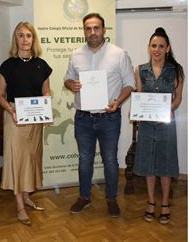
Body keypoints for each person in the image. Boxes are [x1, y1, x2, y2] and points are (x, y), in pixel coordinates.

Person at [64, 13, 135, 217]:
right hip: (83, 118)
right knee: (84, 159)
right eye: (88, 28)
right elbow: (67, 79)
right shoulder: (76, 54)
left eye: (96, 28)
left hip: (109, 117)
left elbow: (130, 83)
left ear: (104, 30)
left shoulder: (119, 54)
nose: (92, 32)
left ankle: (111, 199)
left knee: (110, 160)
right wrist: (72, 84)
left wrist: (118, 102)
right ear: (84, 31)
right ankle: (84, 197)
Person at [0, 22, 52, 226]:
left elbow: (46, 90)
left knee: (32, 158)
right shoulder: (7, 65)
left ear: (33, 39)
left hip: (35, 119)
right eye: (21, 35)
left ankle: (27, 197)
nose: (25, 39)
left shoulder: (41, 64)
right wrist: (11, 110)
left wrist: (46, 101)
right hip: (15, 119)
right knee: (17, 161)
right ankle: (19, 206)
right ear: (16, 39)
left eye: (29, 35)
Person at [132, 27, 185, 225]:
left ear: (167, 48)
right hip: (146, 125)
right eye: (154, 45)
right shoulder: (140, 70)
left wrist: (168, 108)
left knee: (165, 163)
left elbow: (178, 98)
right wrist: (135, 111)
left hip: (165, 123)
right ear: (148, 47)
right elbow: (138, 95)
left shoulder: (176, 70)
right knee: (148, 163)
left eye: (161, 46)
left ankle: (164, 203)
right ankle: (151, 202)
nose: (157, 49)